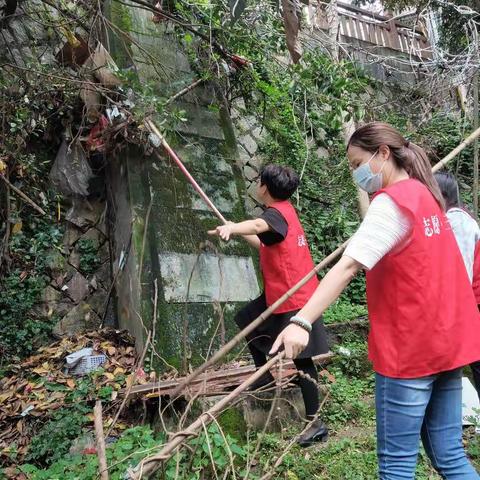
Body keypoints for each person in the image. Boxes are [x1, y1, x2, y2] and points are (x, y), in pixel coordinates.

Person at [270, 122, 480, 479]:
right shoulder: (425, 195)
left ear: (383, 154)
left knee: (396, 467)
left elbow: (348, 265)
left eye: (356, 164)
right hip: (446, 347)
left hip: (410, 352)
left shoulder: (392, 204)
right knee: (449, 457)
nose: (356, 174)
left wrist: (301, 321)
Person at [208, 164, 329, 447]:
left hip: (295, 296)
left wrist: (233, 227)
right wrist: (233, 230)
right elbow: (263, 241)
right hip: (283, 292)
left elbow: (260, 225)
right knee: (250, 322)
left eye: (258, 181)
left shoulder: (274, 214)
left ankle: (315, 423)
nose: (256, 184)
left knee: (302, 360)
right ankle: (263, 378)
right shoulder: (284, 213)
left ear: (265, 187)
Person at [435, 171, 480, 397]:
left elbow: (460, 269)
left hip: (473, 300)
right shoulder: (451, 218)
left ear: (442, 195)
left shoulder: (457, 220)